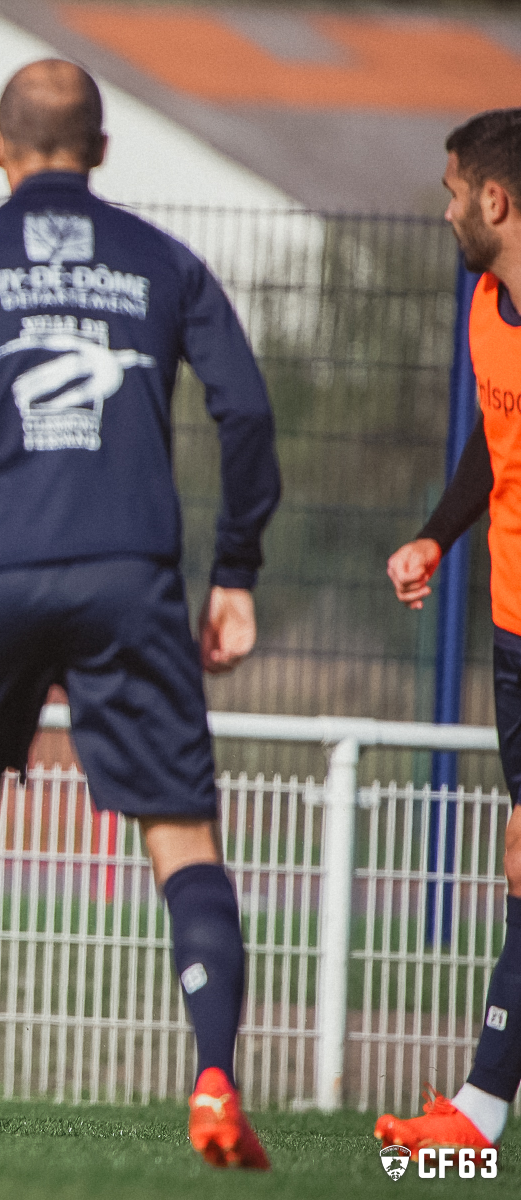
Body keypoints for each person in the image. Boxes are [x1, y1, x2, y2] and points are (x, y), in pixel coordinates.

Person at [0, 61, 280, 1164]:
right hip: (129, 578)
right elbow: (244, 413)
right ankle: (215, 1085)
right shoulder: (162, 262)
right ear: (97, 151)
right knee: (180, 834)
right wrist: (233, 570)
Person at [378, 108, 521, 1156]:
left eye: (449, 192)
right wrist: (435, 536)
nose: (443, 211)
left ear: (494, 200)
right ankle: (478, 1111)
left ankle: (475, 1115)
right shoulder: (482, 301)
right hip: (511, 627)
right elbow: (489, 438)